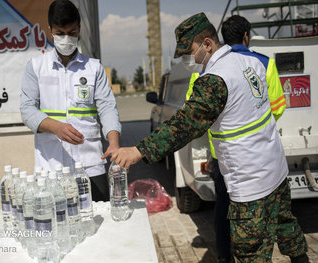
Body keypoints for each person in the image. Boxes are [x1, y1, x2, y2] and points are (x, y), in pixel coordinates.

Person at [107, 13, 309, 263]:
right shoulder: (251, 62)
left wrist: (138, 150)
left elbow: (185, 125)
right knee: (287, 227)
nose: (186, 60)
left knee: (251, 253)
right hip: (276, 171)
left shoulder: (215, 79)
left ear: (207, 44)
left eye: (188, 52)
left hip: (249, 185)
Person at [185, 15, 287, 262]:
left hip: (223, 157)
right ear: (246, 36)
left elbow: (193, 115)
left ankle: (224, 257)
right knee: (267, 212)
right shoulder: (263, 63)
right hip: (262, 155)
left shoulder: (203, 74)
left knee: (224, 209)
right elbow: (277, 107)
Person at [20, 0, 121, 202]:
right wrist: (56, 127)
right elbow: (27, 110)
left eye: (72, 33)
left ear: (79, 29)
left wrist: (114, 142)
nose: (66, 39)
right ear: (50, 30)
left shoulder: (93, 68)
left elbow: (107, 106)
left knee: (100, 221)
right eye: (60, 33)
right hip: (51, 166)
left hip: (90, 164)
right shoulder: (36, 67)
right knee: (57, 225)